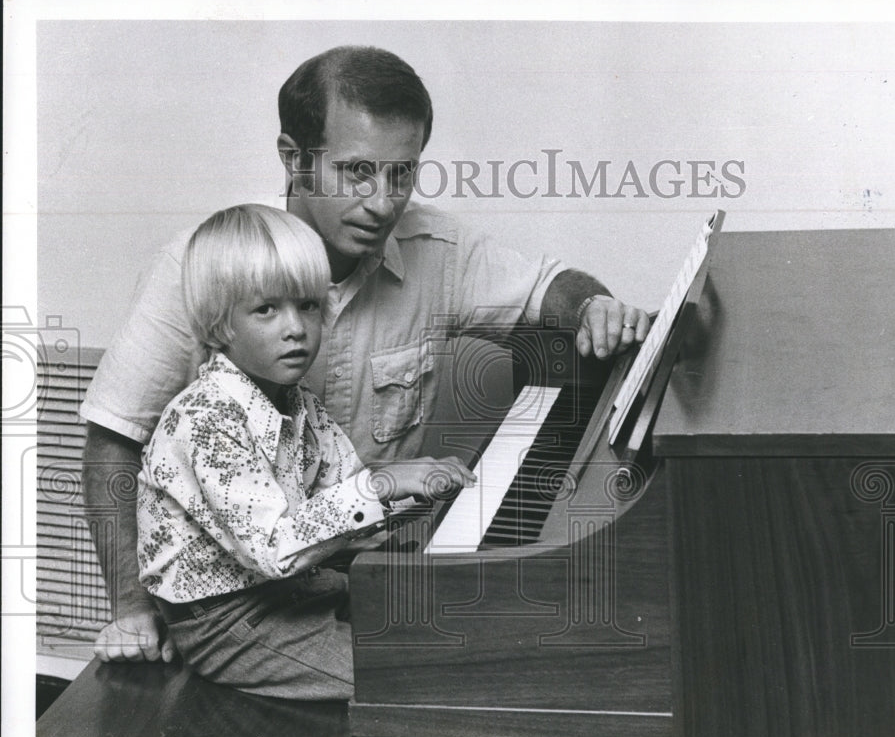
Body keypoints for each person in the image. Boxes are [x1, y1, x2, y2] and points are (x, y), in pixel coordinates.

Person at [81, 44, 651, 663]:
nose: (382, 202)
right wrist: (131, 611)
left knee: (498, 645)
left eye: (401, 173)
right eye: (357, 171)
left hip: (357, 564)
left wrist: (593, 307)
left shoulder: (440, 250)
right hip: (239, 595)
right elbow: (114, 439)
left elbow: (549, 286)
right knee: (430, 669)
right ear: (294, 159)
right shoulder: (195, 268)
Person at [137, 203, 474, 698]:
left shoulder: (299, 402)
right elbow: (276, 548)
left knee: (436, 624)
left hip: (286, 588)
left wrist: (425, 491)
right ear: (219, 324)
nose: (295, 328)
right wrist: (384, 484)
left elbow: (347, 492)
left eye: (309, 305)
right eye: (267, 309)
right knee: (403, 678)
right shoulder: (206, 419)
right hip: (225, 622)